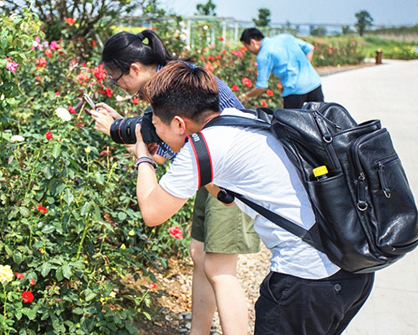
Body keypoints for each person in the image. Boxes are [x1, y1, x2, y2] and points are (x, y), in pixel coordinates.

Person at [131, 62, 374, 334]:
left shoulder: (203, 147)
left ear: (178, 124)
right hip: (351, 270)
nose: (156, 134)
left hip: (307, 281)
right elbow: (228, 198)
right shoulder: (245, 118)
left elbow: (152, 213)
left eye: (155, 126)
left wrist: (142, 155)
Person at [90, 30, 259, 335]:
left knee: (221, 270)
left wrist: (118, 134)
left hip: (230, 176)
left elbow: (162, 157)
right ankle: (199, 331)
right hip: (207, 171)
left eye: (116, 79)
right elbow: (166, 150)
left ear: (134, 69)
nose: (119, 87)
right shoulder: (167, 82)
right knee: (200, 257)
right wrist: (128, 132)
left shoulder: (171, 88)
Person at [239, 28, 323, 109]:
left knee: (290, 122)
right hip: (314, 83)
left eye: (247, 47)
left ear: (253, 42)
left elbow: (261, 86)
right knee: (322, 118)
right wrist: (305, 69)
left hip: (293, 89)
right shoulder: (285, 38)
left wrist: (246, 96)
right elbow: (309, 48)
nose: (249, 51)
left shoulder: (263, 55)